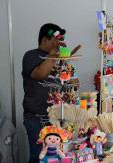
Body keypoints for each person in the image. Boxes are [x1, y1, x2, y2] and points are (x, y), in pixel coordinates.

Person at [22, 23, 80, 163]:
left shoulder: (59, 59)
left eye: (61, 39)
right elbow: (40, 74)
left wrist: (67, 64)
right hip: (37, 119)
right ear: (44, 40)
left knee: (57, 157)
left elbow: (75, 85)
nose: (59, 43)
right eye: (56, 39)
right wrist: (53, 55)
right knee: (39, 157)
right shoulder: (31, 56)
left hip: (58, 119)